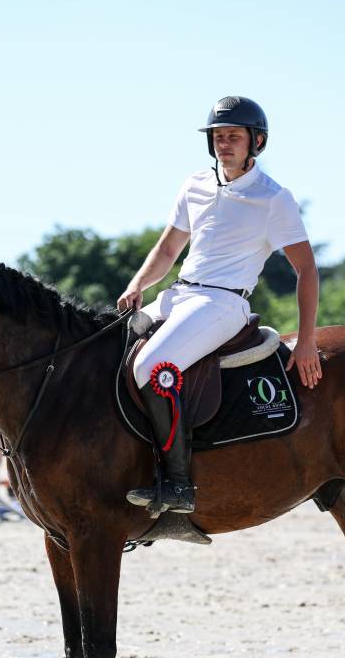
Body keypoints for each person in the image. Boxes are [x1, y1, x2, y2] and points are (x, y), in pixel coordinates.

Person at [118, 95, 322, 514]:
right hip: (179, 294)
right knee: (106, 348)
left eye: (233, 136)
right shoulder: (194, 184)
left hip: (224, 303)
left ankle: (178, 486)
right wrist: (139, 283)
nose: (223, 144)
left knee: (151, 368)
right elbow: (168, 249)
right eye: (217, 137)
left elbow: (307, 270)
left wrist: (305, 340)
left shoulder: (273, 198)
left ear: (256, 142)